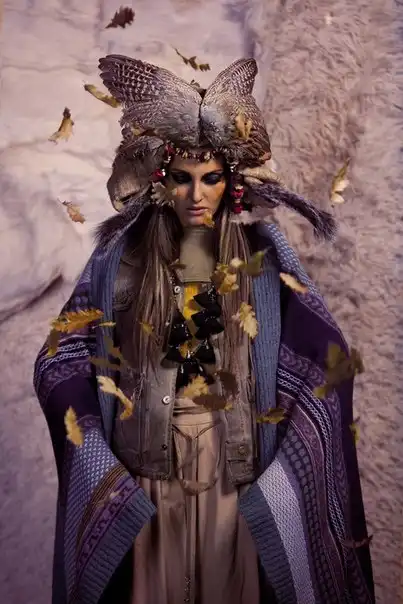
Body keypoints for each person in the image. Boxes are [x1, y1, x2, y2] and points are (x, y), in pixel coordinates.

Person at [33, 55, 375, 604]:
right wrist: (99, 451)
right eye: (182, 178)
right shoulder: (121, 261)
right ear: (161, 182)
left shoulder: (263, 260)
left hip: (232, 467)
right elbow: (62, 356)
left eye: (211, 178)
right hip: (147, 469)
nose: (197, 194)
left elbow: (322, 357)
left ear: (230, 182)